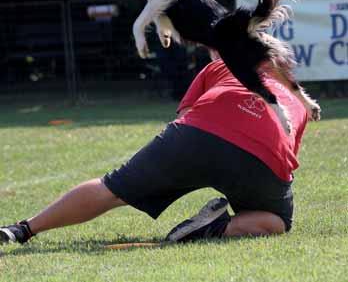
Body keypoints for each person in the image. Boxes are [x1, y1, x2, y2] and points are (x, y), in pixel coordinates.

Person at [0, 55, 309, 246]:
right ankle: (210, 230)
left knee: (112, 188)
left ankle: (22, 229)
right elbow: (287, 156)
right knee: (275, 221)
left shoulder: (224, 65)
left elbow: (185, 112)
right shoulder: (300, 102)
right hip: (262, 157)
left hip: (198, 135)